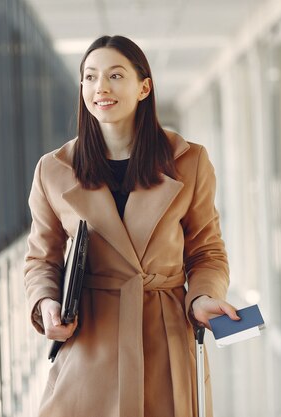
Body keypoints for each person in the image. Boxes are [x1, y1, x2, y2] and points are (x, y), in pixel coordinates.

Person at [24, 35, 239, 417]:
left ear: (144, 87)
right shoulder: (54, 170)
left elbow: (207, 251)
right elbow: (41, 258)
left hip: (163, 334)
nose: (100, 87)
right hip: (90, 337)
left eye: (115, 75)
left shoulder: (188, 161)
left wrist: (203, 295)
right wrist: (46, 303)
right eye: (89, 77)